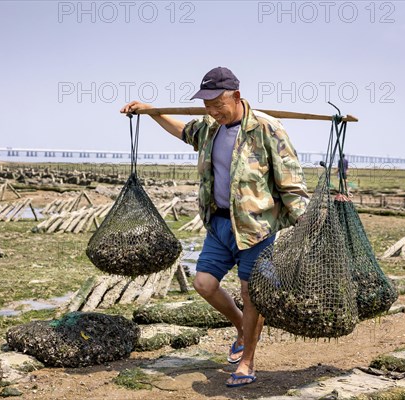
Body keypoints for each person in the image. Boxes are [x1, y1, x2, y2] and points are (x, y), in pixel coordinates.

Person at [121, 67, 309, 387]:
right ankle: (240, 327)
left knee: (253, 297)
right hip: (218, 223)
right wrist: (151, 112)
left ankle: (247, 362)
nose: (212, 111)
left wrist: (305, 230)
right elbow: (183, 131)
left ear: (236, 96)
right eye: (206, 105)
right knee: (204, 284)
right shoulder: (210, 128)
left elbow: (292, 186)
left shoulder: (267, 129)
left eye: (217, 104)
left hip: (256, 229)